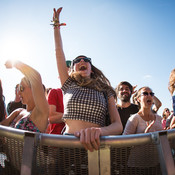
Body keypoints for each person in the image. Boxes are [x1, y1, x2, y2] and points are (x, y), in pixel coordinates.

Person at [52, 7, 123, 152]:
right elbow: (58, 51)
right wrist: (56, 27)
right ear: (72, 69)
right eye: (77, 60)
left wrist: (99, 132)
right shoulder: (68, 83)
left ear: (91, 67)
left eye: (86, 60)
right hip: (67, 145)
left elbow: (118, 126)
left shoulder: (105, 90)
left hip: (97, 145)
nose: (82, 61)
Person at [0, 60, 49, 133]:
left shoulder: (40, 114)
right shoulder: (18, 111)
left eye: (21, 88)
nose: (18, 92)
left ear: (33, 90)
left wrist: (15, 63)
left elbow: (35, 76)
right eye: (18, 89)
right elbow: (2, 126)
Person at [123, 86, 163, 172]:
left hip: (157, 164)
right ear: (138, 99)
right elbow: (124, 142)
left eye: (151, 94)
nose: (149, 95)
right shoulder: (134, 118)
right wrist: (143, 137)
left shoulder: (159, 118)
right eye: (145, 93)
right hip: (137, 167)